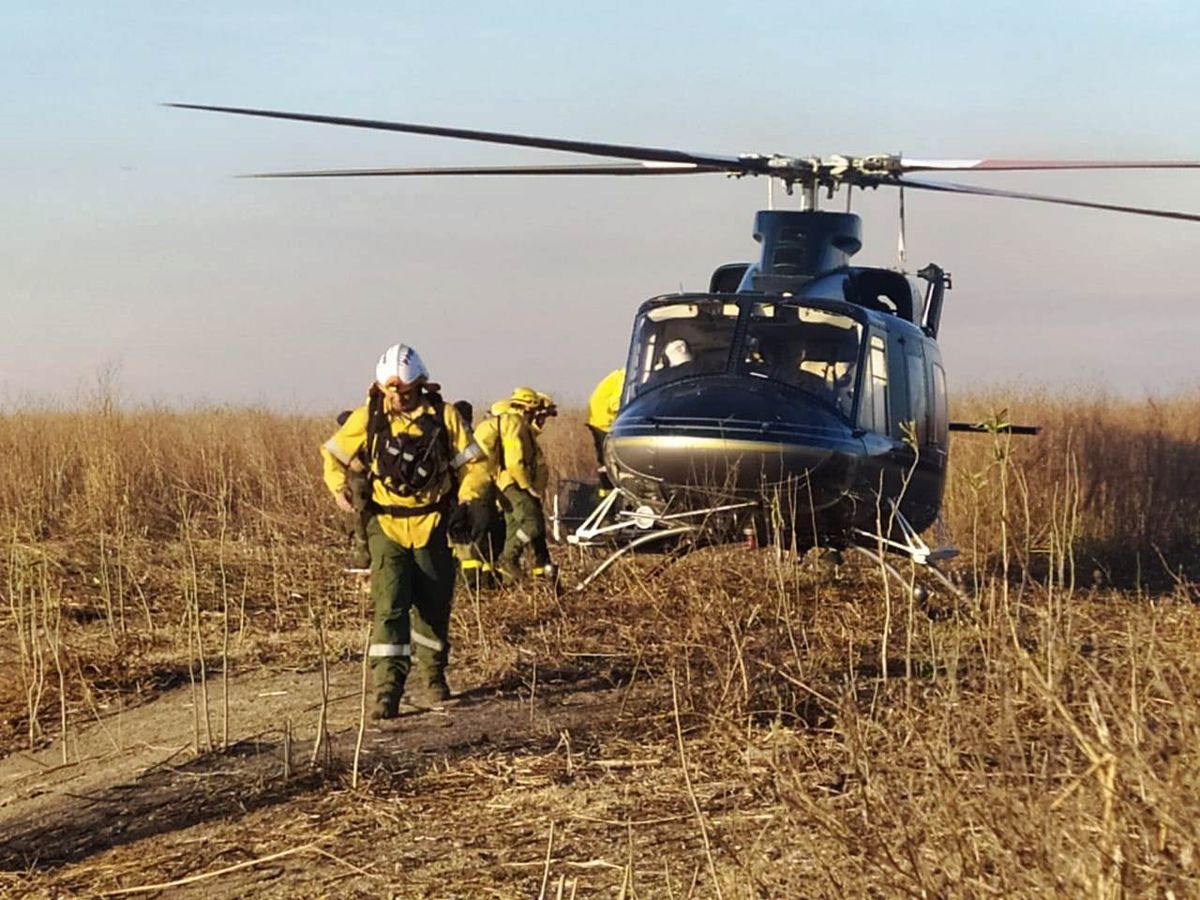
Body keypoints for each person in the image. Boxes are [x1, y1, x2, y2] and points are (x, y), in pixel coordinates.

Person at [321, 343, 489, 719]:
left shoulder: (445, 418)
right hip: (386, 525)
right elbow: (332, 453)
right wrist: (338, 487)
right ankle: (387, 691)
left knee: (433, 605)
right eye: (391, 390)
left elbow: (474, 465)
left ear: (420, 385)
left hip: (433, 524)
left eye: (405, 391)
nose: (398, 397)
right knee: (389, 606)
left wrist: (468, 499)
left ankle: (433, 676)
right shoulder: (368, 418)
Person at [477, 386, 556, 581]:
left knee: (513, 529)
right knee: (532, 523)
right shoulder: (514, 423)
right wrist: (527, 486)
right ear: (527, 409)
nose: (540, 420)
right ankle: (508, 559)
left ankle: (509, 580)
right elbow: (514, 460)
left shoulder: (517, 424)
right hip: (512, 484)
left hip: (509, 484)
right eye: (538, 414)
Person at [585, 367, 624, 494]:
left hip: (598, 420)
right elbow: (615, 404)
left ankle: (606, 493)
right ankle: (609, 496)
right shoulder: (624, 379)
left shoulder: (620, 375)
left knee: (605, 461)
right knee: (608, 462)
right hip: (603, 423)